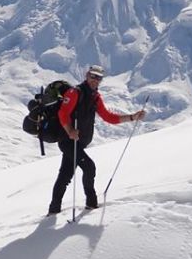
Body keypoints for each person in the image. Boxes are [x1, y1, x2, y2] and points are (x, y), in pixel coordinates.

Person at [48, 65, 146, 215]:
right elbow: (63, 113)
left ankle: (53, 211)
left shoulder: (95, 97)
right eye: (93, 76)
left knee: (65, 176)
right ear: (87, 75)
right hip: (68, 141)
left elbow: (108, 117)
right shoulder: (75, 92)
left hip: (78, 142)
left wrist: (132, 117)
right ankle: (91, 204)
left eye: (98, 77)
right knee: (89, 167)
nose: (95, 80)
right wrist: (70, 131)